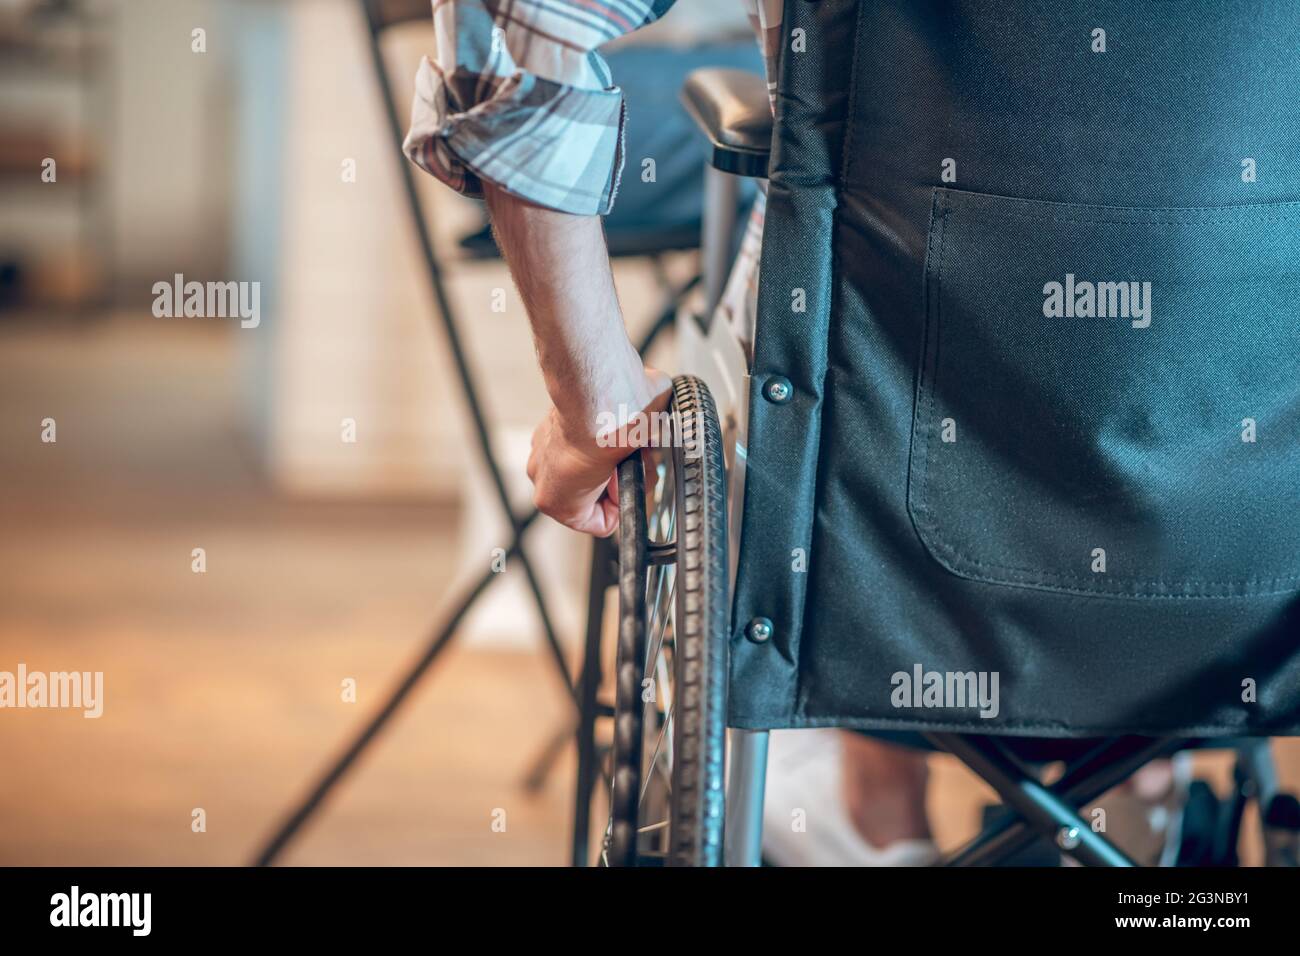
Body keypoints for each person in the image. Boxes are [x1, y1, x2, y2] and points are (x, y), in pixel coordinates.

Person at [402, 0, 1175, 865]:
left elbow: (515, 29)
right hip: (1226, 534)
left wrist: (595, 402)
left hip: (872, 488)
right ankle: (1135, 796)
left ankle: (877, 807)